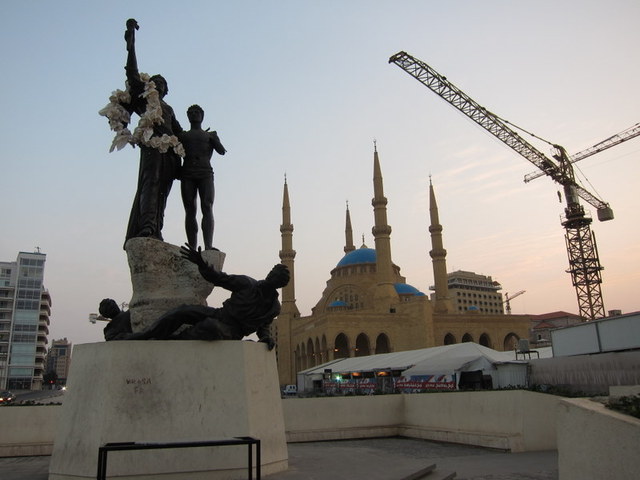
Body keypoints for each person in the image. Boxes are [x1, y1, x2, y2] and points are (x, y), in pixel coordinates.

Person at [125, 244, 290, 349]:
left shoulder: (274, 307)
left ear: (279, 283)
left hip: (233, 330)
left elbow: (264, 327)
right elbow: (219, 278)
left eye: (276, 277)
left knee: (210, 327)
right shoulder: (248, 284)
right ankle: (145, 335)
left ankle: (173, 342)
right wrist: (201, 264)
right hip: (220, 314)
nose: (271, 277)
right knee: (184, 311)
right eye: (272, 273)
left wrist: (267, 338)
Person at [122, 19, 184, 247]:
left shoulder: (168, 109)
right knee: (151, 184)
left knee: (163, 193)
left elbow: (179, 132)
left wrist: (201, 140)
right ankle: (146, 225)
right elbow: (132, 73)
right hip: (152, 147)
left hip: (170, 153)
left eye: (163, 84)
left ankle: (156, 227)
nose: (159, 85)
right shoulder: (146, 101)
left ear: (167, 90)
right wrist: (131, 42)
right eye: (156, 82)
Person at [179, 105, 226, 250]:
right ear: (187, 116)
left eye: (197, 112)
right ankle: (192, 247)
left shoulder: (210, 135)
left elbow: (222, 151)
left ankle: (208, 245)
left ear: (202, 115)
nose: (194, 115)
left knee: (207, 206)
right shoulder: (183, 136)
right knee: (190, 209)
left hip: (205, 172)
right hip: (187, 173)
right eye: (191, 113)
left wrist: (214, 139)